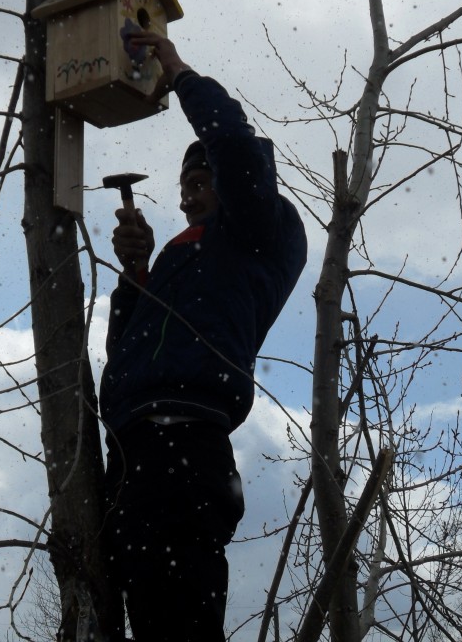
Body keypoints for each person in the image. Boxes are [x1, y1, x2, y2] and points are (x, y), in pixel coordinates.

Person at [100, 32, 307, 642]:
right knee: (126, 609)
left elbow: (235, 150)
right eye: (184, 186)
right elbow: (127, 349)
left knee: (179, 615)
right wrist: (135, 273)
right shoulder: (179, 254)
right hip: (132, 448)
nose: (189, 196)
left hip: (186, 443)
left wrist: (179, 72)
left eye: (200, 181)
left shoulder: (259, 230)